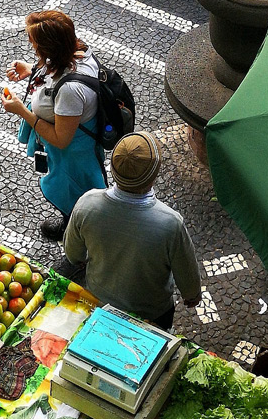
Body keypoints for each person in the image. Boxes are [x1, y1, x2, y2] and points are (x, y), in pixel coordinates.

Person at [64, 131, 202, 329]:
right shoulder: (170, 223)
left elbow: (73, 254)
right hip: (152, 315)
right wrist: (192, 296)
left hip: (99, 302)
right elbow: (188, 280)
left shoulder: (87, 204)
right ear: (154, 176)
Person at [1, 10, 106, 241]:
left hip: (73, 155)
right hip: (77, 147)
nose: (31, 45)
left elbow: (60, 139)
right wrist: (32, 70)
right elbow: (57, 71)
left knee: (75, 195)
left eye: (34, 43)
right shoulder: (78, 50)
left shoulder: (69, 91)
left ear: (49, 49)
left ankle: (75, 236)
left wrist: (22, 111)